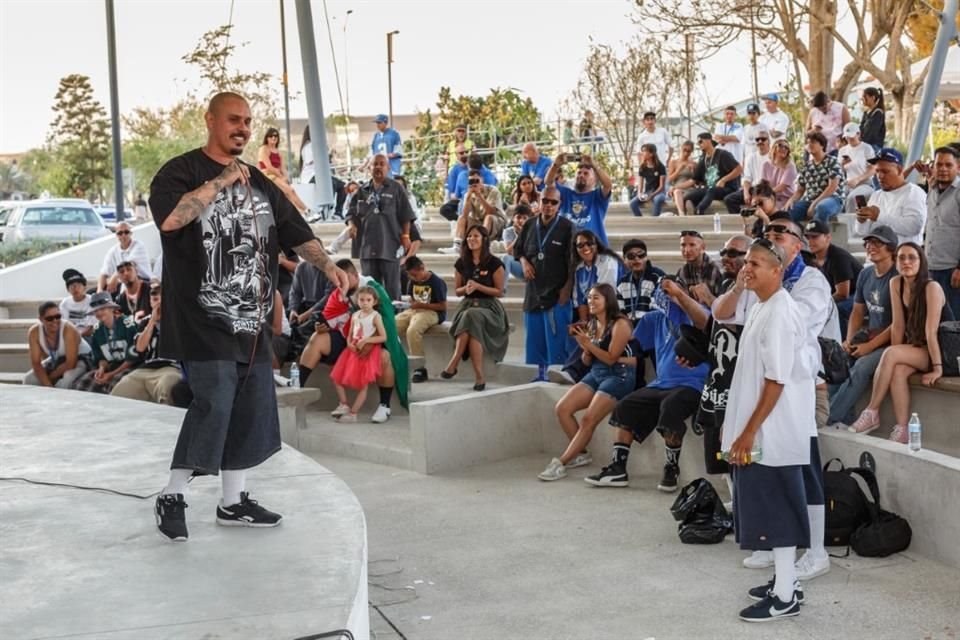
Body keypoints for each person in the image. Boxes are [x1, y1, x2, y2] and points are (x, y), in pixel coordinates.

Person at [148, 91, 349, 542]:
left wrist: (329, 265)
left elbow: (297, 233)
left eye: (248, 121)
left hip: (252, 320)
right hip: (202, 318)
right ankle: (173, 494)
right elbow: (170, 220)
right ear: (211, 120)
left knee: (250, 405)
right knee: (215, 399)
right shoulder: (179, 171)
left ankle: (232, 501)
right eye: (233, 119)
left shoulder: (261, 181)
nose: (242, 127)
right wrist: (220, 182)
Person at [713, 218, 839, 577]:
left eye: (779, 234)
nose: (771, 238)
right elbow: (721, 314)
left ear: (798, 246)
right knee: (766, 472)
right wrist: (742, 286)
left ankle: (816, 552)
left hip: (799, 392)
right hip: (764, 393)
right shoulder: (759, 284)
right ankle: (773, 543)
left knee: (803, 473)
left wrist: (765, 284)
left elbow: (790, 329)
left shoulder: (811, 283)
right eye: (767, 235)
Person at [722, 238, 818, 623]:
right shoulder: (764, 306)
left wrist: (748, 433)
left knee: (776, 513)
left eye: (758, 263)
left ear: (778, 271)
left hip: (772, 433)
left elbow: (776, 381)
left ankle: (784, 599)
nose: (748, 268)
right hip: (761, 430)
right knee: (770, 509)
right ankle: (787, 581)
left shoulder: (779, 312)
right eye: (747, 262)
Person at [585, 280, 709, 491]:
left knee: (671, 408)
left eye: (671, 293)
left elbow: (705, 320)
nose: (667, 298)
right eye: (664, 294)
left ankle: (671, 468)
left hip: (692, 384)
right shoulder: (654, 318)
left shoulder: (695, 312)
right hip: (660, 384)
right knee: (625, 406)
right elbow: (633, 345)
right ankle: (618, 469)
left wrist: (679, 296)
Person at [846, 243, 949, 442]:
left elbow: (931, 331)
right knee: (897, 370)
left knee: (891, 354)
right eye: (902, 258)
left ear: (921, 262)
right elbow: (898, 326)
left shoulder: (931, 287)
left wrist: (937, 369)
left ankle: (871, 411)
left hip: (940, 350)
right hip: (917, 348)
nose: (906, 262)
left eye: (912, 257)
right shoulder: (896, 283)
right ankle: (903, 429)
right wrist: (894, 354)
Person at [672, 235, 751, 494]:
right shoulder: (727, 284)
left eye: (735, 253)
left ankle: (746, 502)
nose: (727, 257)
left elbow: (745, 332)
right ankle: (735, 498)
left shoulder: (754, 292)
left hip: (740, 386)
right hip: (717, 383)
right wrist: (696, 353)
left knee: (741, 451)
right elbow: (716, 331)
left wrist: (708, 301)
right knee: (717, 452)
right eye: (725, 252)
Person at [539, 283, 637, 481]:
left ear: (607, 301)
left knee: (587, 420)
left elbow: (611, 358)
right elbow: (587, 361)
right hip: (598, 371)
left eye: (595, 298)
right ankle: (581, 454)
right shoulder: (592, 324)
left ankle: (561, 462)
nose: (590, 302)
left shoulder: (621, 324)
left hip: (619, 375)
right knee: (562, 408)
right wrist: (585, 349)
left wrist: (589, 345)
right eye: (589, 297)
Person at [297, 259, 402, 424]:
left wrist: (369, 342)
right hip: (350, 339)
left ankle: (384, 405)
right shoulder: (340, 289)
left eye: (343, 279)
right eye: (337, 280)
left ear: (354, 275)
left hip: (376, 342)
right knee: (317, 338)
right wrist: (322, 326)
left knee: (385, 357)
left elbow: (387, 322)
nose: (339, 283)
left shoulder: (372, 288)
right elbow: (331, 315)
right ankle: (297, 386)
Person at [826, 225, 898, 427]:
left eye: (877, 243)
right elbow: (857, 312)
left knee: (861, 366)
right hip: (869, 336)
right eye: (868, 243)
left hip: (892, 341)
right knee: (838, 358)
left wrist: (870, 347)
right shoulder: (866, 274)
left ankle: (829, 417)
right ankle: (841, 416)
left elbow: (898, 325)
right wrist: (849, 340)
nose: (870, 247)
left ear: (891, 248)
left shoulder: (898, 277)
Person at [514, 186, 575, 382]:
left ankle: (556, 375)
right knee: (536, 338)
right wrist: (523, 262)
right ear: (539, 202)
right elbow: (518, 250)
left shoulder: (567, 227)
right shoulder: (530, 224)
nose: (548, 205)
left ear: (559, 205)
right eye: (545, 201)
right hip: (533, 291)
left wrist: (567, 289)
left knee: (556, 339)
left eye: (553, 202)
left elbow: (573, 262)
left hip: (557, 292)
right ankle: (540, 375)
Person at [444, 225, 509, 390]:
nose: (471, 239)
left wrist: (479, 286)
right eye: (469, 236)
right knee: (472, 321)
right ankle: (480, 377)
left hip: (489, 307)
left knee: (471, 316)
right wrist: (466, 289)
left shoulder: (494, 263)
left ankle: (454, 362)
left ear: (484, 240)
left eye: (476, 236)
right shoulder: (461, 263)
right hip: (467, 305)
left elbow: (499, 292)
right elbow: (457, 292)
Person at [345, 154, 415, 301]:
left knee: (392, 289)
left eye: (381, 164)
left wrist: (406, 236)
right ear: (369, 168)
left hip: (389, 246)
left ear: (388, 167)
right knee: (370, 290)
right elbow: (350, 214)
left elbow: (406, 215)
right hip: (367, 248)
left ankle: (394, 321)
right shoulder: (362, 191)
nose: (378, 167)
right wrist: (351, 225)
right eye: (374, 164)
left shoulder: (396, 188)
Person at [111, 283, 183, 405]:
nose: (159, 302)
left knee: (168, 386)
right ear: (150, 302)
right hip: (145, 368)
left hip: (171, 367)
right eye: (155, 299)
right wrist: (152, 321)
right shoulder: (145, 322)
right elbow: (140, 347)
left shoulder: (179, 319)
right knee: (120, 390)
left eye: (162, 298)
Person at [329, 285, 388, 422]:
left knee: (363, 385)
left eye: (368, 300)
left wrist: (367, 340)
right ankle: (343, 404)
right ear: (357, 301)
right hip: (352, 351)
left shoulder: (375, 316)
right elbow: (350, 334)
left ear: (374, 301)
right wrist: (349, 343)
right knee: (336, 377)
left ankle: (353, 414)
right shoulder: (355, 315)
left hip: (367, 353)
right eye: (362, 300)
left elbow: (383, 337)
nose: (365, 303)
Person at [854, 148, 927, 246]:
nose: (880, 176)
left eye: (885, 171)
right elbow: (862, 232)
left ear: (899, 170)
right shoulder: (876, 195)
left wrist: (879, 216)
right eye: (877, 171)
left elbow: (914, 227)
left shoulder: (914, 192)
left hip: (902, 258)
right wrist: (861, 220)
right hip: (876, 258)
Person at [71, 291, 140, 394]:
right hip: (111, 366)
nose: (99, 313)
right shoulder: (97, 330)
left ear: (112, 308)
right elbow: (101, 358)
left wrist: (110, 374)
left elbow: (132, 359)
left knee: (112, 386)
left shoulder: (128, 325)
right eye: (96, 310)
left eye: (102, 309)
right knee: (81, 383)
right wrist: (101, 369)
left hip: (130, 367)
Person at [804, 219, 862, 337]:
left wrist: (820, 302)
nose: (810, 241)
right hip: (839, 294)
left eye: (814, 237)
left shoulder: (838, 257)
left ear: (828, 238)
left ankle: (842, 345)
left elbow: (842, 293)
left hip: (859, 294)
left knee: (836, 309)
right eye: (808, 237)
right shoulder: (812, 258)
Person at [395, 256, 447, 383]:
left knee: (413, 330)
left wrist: (421, 306)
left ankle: (419, 368)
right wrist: (408, 305)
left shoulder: (436, 282)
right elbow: (412, 300)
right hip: (415, 310)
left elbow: (443, 306)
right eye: (409, 276)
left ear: (422, 268)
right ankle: (393, 362)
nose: (412, 278)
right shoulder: (412, 281)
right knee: (391, 325)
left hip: (433, 312)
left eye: (414, 275)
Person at [545, 152, 612, 247]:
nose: (581, 175)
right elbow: (548, 182)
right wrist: (556, 165)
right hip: (567, 247)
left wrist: (594, 165)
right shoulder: (565, 193)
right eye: (579, 173)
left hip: (594, 248)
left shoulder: (597, 196)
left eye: (586, 174)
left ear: (594, 180)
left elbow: (608, 185)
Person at [924, 146, 960, 320]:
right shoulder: (932, 190)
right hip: (931, 267)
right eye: (939, 165)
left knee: (954, 322)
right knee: (935, 320)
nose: (943, 169)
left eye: (948, 165)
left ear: (957, 167)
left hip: (952, 269)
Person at [24, 301, 91, 388]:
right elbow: (36, 363)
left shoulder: (69, 329)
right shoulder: (34, 332)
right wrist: (47, 383)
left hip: (81, 358)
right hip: (57, 359)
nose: (55, 321)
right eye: (49, 318)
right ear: (41, 319)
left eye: (58, 316)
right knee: (29, 379)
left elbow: (71, 363)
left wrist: (49, 378)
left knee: (67, 379)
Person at [439, 169, 506, 255]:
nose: (475, 183)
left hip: (496, 221)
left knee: (488, 217)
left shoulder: (493, 190)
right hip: (478, 221)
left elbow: (490, 212)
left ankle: (482, 244)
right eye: (472, 181)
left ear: (482, 179)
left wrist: (479, 196)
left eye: (477, 180)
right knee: (461, 217)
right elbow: (465, 215)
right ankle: (457, 246)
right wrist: (468, 198)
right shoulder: (468, 193)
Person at [785, 132, 846, 224]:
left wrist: (815, 203)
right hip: (809, 200)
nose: (809, 145)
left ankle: (818, 235)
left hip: (833, 199)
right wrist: (791, 201)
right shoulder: (806, 166)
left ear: (822, 145)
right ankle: (796, 236)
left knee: (822, 208)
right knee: (787, 211)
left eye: (813, 142)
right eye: (808, 142)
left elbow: (832, 187)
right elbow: (800, 190)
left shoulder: (832, 161)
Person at [685, 133, 742, 216]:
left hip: (727, 189)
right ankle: (692, 209)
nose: (699, 145)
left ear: (708, 140)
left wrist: (723, 180)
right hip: (710, 189)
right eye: (698, 143)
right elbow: (694, 180)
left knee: (712, 190)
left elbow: (739, 169)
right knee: (690, 195)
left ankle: (699, 210)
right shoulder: (703, 159)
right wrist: (675, 188)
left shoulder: (723, 154)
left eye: (701, 142)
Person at [572, 230, 622, 322]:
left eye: (589, 243)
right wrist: (585, 324)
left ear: (597, 245)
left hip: (615, 311)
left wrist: (594, 328)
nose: (585, 248)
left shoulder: (607, 262)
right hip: (594, 312)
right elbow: (580, 300)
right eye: (580, 245)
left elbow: (604, 297)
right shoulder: (579, 268)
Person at [258, 127, 309, 213]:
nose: (273, 138)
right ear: (267, 138)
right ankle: (307, 211)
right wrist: (281, 177)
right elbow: (269, 167)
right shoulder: (263, 149)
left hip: (277, 177)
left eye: (276, 136)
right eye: (271, 136)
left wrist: (286, 178)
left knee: (288, 196)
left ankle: (300, 215)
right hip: (267, 176)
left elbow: (283, 168)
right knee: (291, 191)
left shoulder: (278, 152)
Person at [723, 126, 771, 213]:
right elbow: (747, 179)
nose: (760, 141)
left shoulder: (772, 157)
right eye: (757, 139)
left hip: (766, 190)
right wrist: (746, 193)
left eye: (763, 139)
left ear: (768, 141)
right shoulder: (751, 157)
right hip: (753, 188)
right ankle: (743, 219)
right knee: (729, 199)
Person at [616, 239, 665, 321]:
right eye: (631, 256)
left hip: (652, 327)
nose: (636, 259)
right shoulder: (622, 282)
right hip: (629, 328)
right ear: (624, 260)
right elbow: (620, 313)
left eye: (641, 255)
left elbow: (657, 313)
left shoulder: (657, 277)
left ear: (646, 257)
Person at [98, 222, 151, 292]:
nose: (123, 235)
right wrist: (99, 290)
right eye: (120, 233)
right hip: (123, 281)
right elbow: (104, 272)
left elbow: (129, 264)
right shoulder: (113, 251)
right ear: (116, 235)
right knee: (94, 292)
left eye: (126, 232)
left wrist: (115, 277)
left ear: (131, 233)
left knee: (125, 283)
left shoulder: (139, 246)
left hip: (142, 280)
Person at [838, 122, 877, 212]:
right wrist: (842, 164)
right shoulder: (843, 150)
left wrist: (858, 180)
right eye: (847, 136)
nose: (849, 139)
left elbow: (873, 169)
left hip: (865, 184)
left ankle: (851, 224)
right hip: (848, 184)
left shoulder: (867, 148)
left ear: (858, 134)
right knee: (837, 198)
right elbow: (839, 171)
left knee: (853, 198)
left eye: (851, 136)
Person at [677, 229, 725, 300]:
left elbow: (723, 303)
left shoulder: (717, 269)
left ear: (703, 248)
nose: (686, 250)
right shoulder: (682, 271)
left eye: (692, 245)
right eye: (683, 245)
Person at [805, 90, 849, 155]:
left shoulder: (841, 108)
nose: (822, 110)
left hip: (836, 148)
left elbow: (848, 128)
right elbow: (806, 132)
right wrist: (814, 130)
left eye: (824, 107)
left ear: (828, 101)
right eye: (819, 109)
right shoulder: (813, 112)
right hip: (818, 149)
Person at [629, 144, 667, 217]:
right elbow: (640, 185)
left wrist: (652, 196)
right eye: (642, 151)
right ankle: (641, 221)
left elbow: (661, 186)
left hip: (659, 192)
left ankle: (654, 220)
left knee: (657, 200)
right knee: (632, 203)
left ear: (651, 154)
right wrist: (639, 194)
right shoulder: (642, 167)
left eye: (644, 151)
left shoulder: (660, 166)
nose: (642, 153)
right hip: (647, 192)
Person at [762, 139, 798, 210]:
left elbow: (781, 187)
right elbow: (764, 184)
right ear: (774, 148)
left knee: (768, 208)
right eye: (781, 146)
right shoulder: (766, 165)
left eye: (786, 148)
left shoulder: (790, 166)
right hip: (771, 197)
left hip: (786, 199)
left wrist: (766, 195)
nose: (784, 149)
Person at [59, 268, 95, 339]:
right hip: (70, 336)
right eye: (72, 286)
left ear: (84, 287)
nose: (75, 288)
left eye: (78, 285)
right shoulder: (65, 303)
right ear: (68, 289)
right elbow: (64, 325)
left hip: (88, 336)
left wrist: (77, 335)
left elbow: (91, 328)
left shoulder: (92, 301)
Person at [501, 204, 531, 283]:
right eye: (518, 217)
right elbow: (509, 252)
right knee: (506, 258)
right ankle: (501, 289)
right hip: (519, 266)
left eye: (525, 218)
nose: (521, 220)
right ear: (513, 218)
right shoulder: (508, 231)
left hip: (532, 266)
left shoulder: (533, 231)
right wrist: (520, 235)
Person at [667, 141, 697, 215]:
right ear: (681, 149)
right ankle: (682, 214)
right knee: (677, 192)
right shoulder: (673, 162)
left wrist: (693, 171)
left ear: (691, 152)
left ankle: (688, 211)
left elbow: (697, 180)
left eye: (688, 151)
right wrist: (678, 170)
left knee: (687, 200)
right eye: (684, 150)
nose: (686, 153)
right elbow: (669, 180)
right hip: (677, 188)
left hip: (689, 187)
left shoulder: (694, 163)